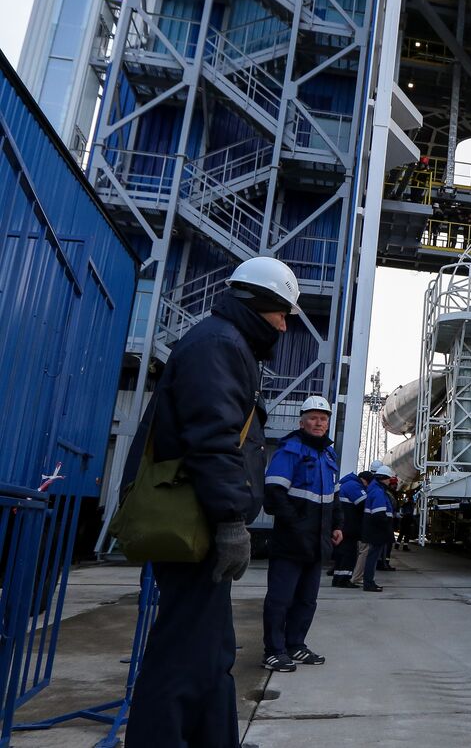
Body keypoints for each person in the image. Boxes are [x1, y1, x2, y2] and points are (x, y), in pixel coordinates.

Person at [124, 256, 300, 748]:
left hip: (202, 518)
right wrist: (228, 520)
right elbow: (215, 438)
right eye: (282, 314)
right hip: (196, 520)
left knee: (212, 650)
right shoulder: (221, 345)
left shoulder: (222, 342)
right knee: (184, 654)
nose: (285, 326)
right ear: (257, 305)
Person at [260, 396, 343, 671]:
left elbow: (334, 496)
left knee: (307, 600)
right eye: (313, 418)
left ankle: (296, 645)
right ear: (302, 421)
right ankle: (273, 650)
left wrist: (337, 526)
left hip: (317, 541)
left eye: (323, 418)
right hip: (291, 541)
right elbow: (273, 495)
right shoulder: (290, 450)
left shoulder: (328, 455)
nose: (319, 423)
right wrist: (296, 526)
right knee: (280, 599)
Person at [360, 464, 396, 593]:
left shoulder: (374, 489)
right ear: (384, 478)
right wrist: (386, 526)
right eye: (388, 479)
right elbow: (379, 513)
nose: (389, 482)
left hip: (374, 529)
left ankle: (369, 582)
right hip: (378, 530)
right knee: (373, 557)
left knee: (372, 556)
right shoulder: (378, 491)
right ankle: (369, 583)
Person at [331, 468, 369, 587]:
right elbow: (364, 503)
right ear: (364, 480)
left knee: (341, 554)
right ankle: (344, 579)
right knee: (349, 554)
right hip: (349, 527)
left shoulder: (346, 484)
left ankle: (337, 578)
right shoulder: (354, 486)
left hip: (343, 526)